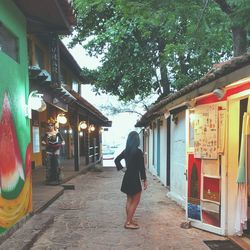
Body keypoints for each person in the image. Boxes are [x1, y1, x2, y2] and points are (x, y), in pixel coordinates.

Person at [115, 131, 148, 229]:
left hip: (127, 177)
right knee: (136, 200)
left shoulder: (126, 151)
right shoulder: (138, 152)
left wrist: (122, 168)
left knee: (129, 199)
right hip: (134, 178)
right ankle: (128, 223)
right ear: (137, 140)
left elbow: (116, 160)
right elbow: (141, 167)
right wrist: (144, 180)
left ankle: (129, 219)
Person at [41, 117, 65, 184]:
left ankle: (57, 177)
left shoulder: (57, 133)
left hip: (56, 148)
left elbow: (63, 140)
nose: (50, 126)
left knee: (56, 163)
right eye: (49, 125)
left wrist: (62, 143)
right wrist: (44, 143)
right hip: (49, 149)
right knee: (48, 164)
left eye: (51, 125)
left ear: (54, 126)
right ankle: (49, 178)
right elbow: (42, 140)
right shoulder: (47, 133)